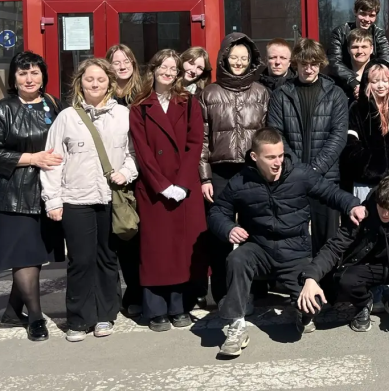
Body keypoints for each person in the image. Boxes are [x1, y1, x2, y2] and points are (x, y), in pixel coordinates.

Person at [208, 128, 366, 358]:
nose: (278, 162)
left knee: (313, 305)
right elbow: (217, 212)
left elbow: (330, 192)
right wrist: (228, 228)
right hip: (259, 249)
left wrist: (352, 205)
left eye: (281, 155)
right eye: (271, 157)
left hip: (295, 252)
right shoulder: (240, 181)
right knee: (237, 258)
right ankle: (236, 325)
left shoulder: (300, 174)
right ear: (255, 156)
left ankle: (301, 313)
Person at [41, 58, 138, 341]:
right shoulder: (66, 118)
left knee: (107, 258)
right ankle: (78, 319)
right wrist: (53, 200)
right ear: (80, 83)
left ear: (110, 83)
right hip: (76, 199)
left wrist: (125, 172)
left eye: (101, 79)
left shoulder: (123, 115)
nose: (95, 84)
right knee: (80, 260)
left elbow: (134, 153)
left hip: (110, 197)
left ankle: (106, 315)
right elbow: (53, 161)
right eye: (89, 79)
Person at [0, 51, 64, 342]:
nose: (29, 79)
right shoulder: (3, 109)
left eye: (35, 72)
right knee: (25, 257)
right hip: (12, 195)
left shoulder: (54, 104)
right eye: (22, 73)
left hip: (47, 193)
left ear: (43, 76)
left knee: (33, 256)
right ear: (14, 78)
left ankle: (13, 313)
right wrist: (32, 158)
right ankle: (36, 318)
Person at [298, 175, 389, 333]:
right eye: (382, 207)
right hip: (368, 266)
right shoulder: (363, 212)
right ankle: (364, 303)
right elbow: (334, 247)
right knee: (344, 280)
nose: (385, 214)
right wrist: (311, 277)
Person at [129, 49, 208, 330]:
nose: (168, 72)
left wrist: (183, 183)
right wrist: (162, 186)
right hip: (154, 189)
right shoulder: (139, 106)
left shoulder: (188, 102)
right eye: (163, 66)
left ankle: (179, 306)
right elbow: (142, 151)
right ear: (153, 69)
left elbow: (194, 144)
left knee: (180, 249)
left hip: (184, 186)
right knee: (155, 250)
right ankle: (155, 309)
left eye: (173, 68)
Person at [199, 33, 269, 308]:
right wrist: (205, 177)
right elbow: (202, 139)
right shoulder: (210, 93)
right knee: (220, 234)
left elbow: (266, 134)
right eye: (234, 58)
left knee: (255, 229)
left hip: (252, 170)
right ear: (224, 59)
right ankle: (221, 292)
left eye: (244, 58)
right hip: (220, 171)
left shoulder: (261, 92)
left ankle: (255, 289)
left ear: (251, 61)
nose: (239, 63)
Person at [267, 38, 350, 254]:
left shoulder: (336, 94)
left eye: (314, 64)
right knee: (293, 241)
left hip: (326, 179)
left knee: (327, 242)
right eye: (304, 64)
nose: (309, 69)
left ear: (321, 64)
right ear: (295, 63)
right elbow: (276, 135)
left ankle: (326, 277)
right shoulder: (281, 95)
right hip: (291, 179)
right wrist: (298, 170)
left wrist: (314, 171)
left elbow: (338, 136)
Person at [105, 43, 144, 315]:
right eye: (116, 61)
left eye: (126, 60)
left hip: (138, 173)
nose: (122, 66)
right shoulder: (101, 96)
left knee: (132, 236)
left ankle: (136, 292)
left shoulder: (141, 95)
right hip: (109, 175)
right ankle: (111, 297)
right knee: (112, 239)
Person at [343, 58, 389, 201]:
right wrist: (369, 165)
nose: (381, 85)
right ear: (367, 82)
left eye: (385, 80)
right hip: (366, 183)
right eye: (375, 81)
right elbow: (350, 144)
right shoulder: (357, 108)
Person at [327, 0, 389, 99]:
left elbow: (387, 63)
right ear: (355, 11)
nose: (367, 19)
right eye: (363, 14)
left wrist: (368, 83)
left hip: (370, 88)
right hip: (342, 88)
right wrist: (355, 83)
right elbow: (334, 62)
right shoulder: (340, 32)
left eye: (371, 15)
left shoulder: (378, 34)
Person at [337, 28, 374, 100]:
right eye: (355, 47)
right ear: (348, 49)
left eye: (364, 47)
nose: (360, 51)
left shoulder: (381, 76)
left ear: (371, 49)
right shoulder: (339, 80)